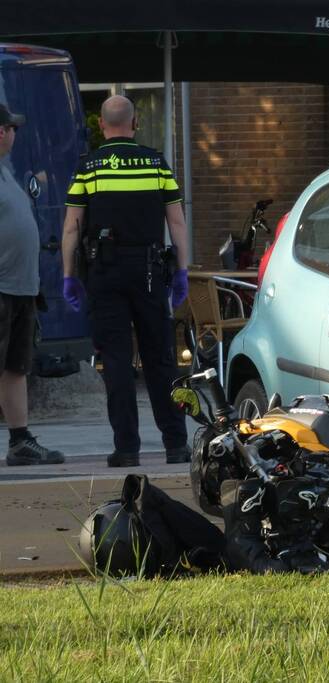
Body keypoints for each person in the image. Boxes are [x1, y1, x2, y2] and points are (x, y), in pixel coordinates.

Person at [60, 95, 190, 468]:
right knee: (160, 360)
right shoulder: (155, 163)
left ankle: (127, 448)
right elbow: (177, 223)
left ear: (102, 126)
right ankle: (176, 444)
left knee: (116, 362)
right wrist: (181, 270)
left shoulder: (90, 168)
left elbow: (72, 226)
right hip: (150, 272)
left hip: (105, 273)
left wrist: (69, 275)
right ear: (134, 125)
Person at [0, 104, 65, 466]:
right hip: (2, 287)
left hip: (21, 289)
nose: (15, 134)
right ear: (1, 132)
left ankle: (20, 441)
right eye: (12, 128)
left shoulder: (6, 171)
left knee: (15, 367)